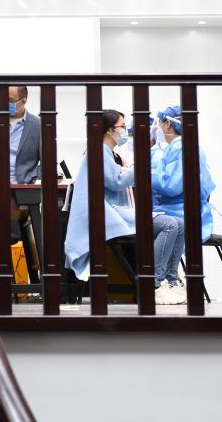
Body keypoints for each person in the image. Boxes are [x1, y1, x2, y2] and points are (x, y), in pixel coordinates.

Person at [63, 109, 187, 306]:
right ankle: (153, 283)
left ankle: (170, 281)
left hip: (117, 210)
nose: (125, 131)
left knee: (179, 223)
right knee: (170, 225)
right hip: (109, 214)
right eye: (122, 126)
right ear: (110, 129)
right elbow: (117, 181)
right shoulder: (97, 152)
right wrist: (140, 165)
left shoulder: (107, 153)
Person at [151, 104, 216, 246]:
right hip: (187, 209)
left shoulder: (179, 147)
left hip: (180, 212)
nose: (157, 128)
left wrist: (145, 173)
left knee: (137, 225)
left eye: (160, 123)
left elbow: (170, 186)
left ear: (168, 123)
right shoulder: (183, 145)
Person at [0, 85, 41, 185]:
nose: (5, 104)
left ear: (24, 101)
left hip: (22, 189)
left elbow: (47, 162)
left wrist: (33, 179)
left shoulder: (37, 126)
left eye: (10, 101)